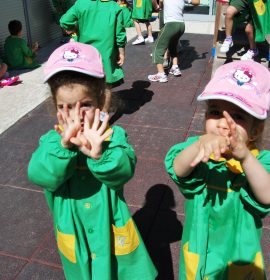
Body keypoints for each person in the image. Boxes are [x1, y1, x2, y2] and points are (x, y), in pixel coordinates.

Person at [28, 42, 157, 280]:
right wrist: (63, 148)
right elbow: (39, 175)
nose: (76, 115)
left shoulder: (112, 137)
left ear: (101, 102)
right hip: (73, 230)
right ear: (54, 108)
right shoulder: (51, 142)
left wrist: (100, 155)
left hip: (110, 228)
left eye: (85, 105)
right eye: (64, 107)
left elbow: (124, 170)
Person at [165, 60, 270, 279]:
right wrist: (197, 145)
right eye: (215, 112)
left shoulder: (260, 161)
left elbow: (267, 195)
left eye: (238, 117)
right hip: (200, 254)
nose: (223, 124)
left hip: (239, 258)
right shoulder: (198, 149)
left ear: (254, 131)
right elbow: (178, 168)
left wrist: (245, 157)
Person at [59, 0, 126, 113]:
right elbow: (120, 34)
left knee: (86, 85)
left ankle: (87, 115)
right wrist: (121, 52)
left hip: (85, 53)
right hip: (106, 53)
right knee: (106, 86)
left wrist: (75, 29)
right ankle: (103, 119)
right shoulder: (115, 7)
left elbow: (65, 21)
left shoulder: (81, 4)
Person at [148, 0, 200, 83]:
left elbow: (159, 1)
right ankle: (175, 67)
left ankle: (161, 74)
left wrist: (158, 7)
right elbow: (197, 2)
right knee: (172, 46)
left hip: (171, 24)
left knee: (157, 48)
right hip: (181, 25)